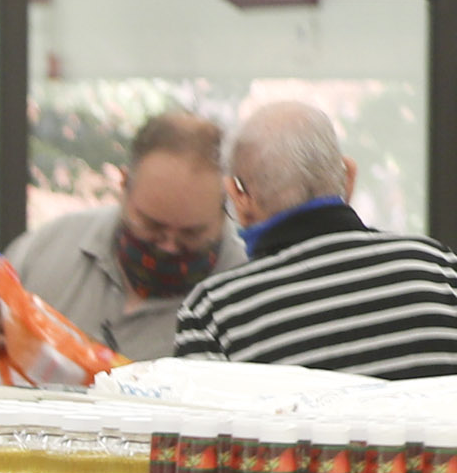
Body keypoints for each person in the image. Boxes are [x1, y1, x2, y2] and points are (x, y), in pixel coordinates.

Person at [173, 100, 457, 378]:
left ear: (239, 197)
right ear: (349, 178)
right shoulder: (439, 270)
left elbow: (199, 422)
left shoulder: (213, 313)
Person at [0, 111, 240, 365]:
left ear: (226, 206)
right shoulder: (47, 247)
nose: (168, 246)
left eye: (192, 233)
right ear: (123, 185)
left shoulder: (244, 290)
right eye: (152, 226)